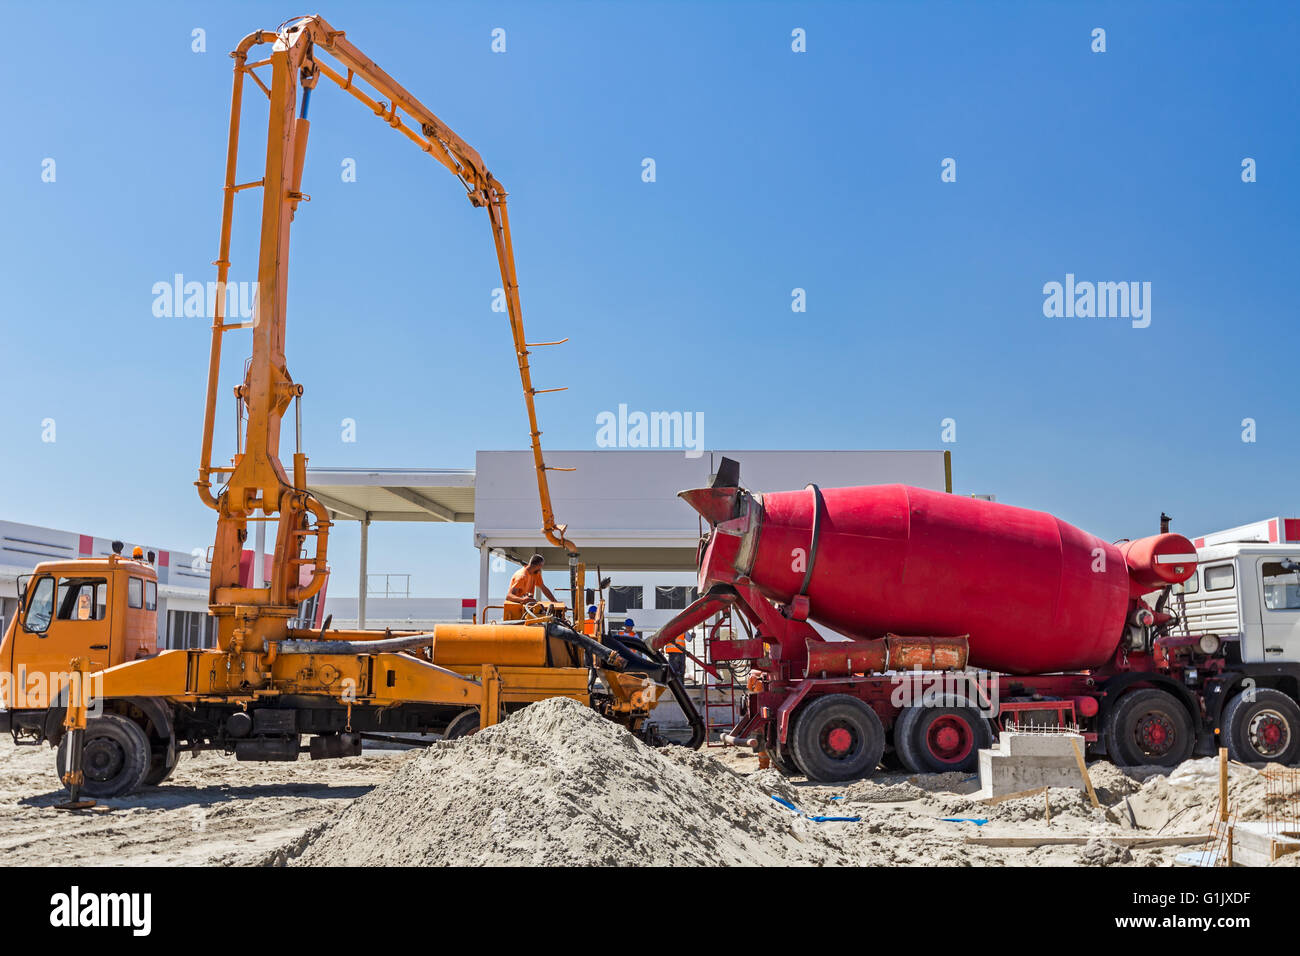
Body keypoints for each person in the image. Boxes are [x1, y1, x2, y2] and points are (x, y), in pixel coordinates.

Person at [503, 554, 557, 621]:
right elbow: (509, 596)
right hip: (515, 612)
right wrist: (523, 600)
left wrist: (555, 602)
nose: (541, 569)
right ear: (538, 565)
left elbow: (543, 588)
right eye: (541, 566)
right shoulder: (521, 577)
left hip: (526, 610)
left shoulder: (535, 574)